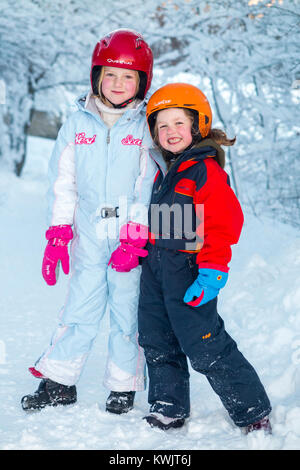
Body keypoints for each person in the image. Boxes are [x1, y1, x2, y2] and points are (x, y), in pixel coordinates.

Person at [21, 29, 157, 414]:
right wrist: (59, 231)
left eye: (128, 76)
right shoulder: (77, 124)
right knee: (79, 307)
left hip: (129, 237)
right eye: (110, 74)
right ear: (96, 76)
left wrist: (135, 236)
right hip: (88, 232)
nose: (117, 84)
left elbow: (146, 185)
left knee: (126, 311)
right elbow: (63, 182)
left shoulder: (145, 127)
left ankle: (123, 384)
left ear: (142, 81)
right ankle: (60, 380)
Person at [138, 83, 272, 433]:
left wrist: (213, 268)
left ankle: (252, 410)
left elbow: (225, 222)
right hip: (155, 269)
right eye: (162, 125)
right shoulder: (166, 169)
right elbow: (167, 221)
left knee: (203, 342)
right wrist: (141, 244)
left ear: (198, 125)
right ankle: (168, 405)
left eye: (178, 123)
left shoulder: (204, 170)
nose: (170, 132)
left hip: (188, 269)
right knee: (155, 337)